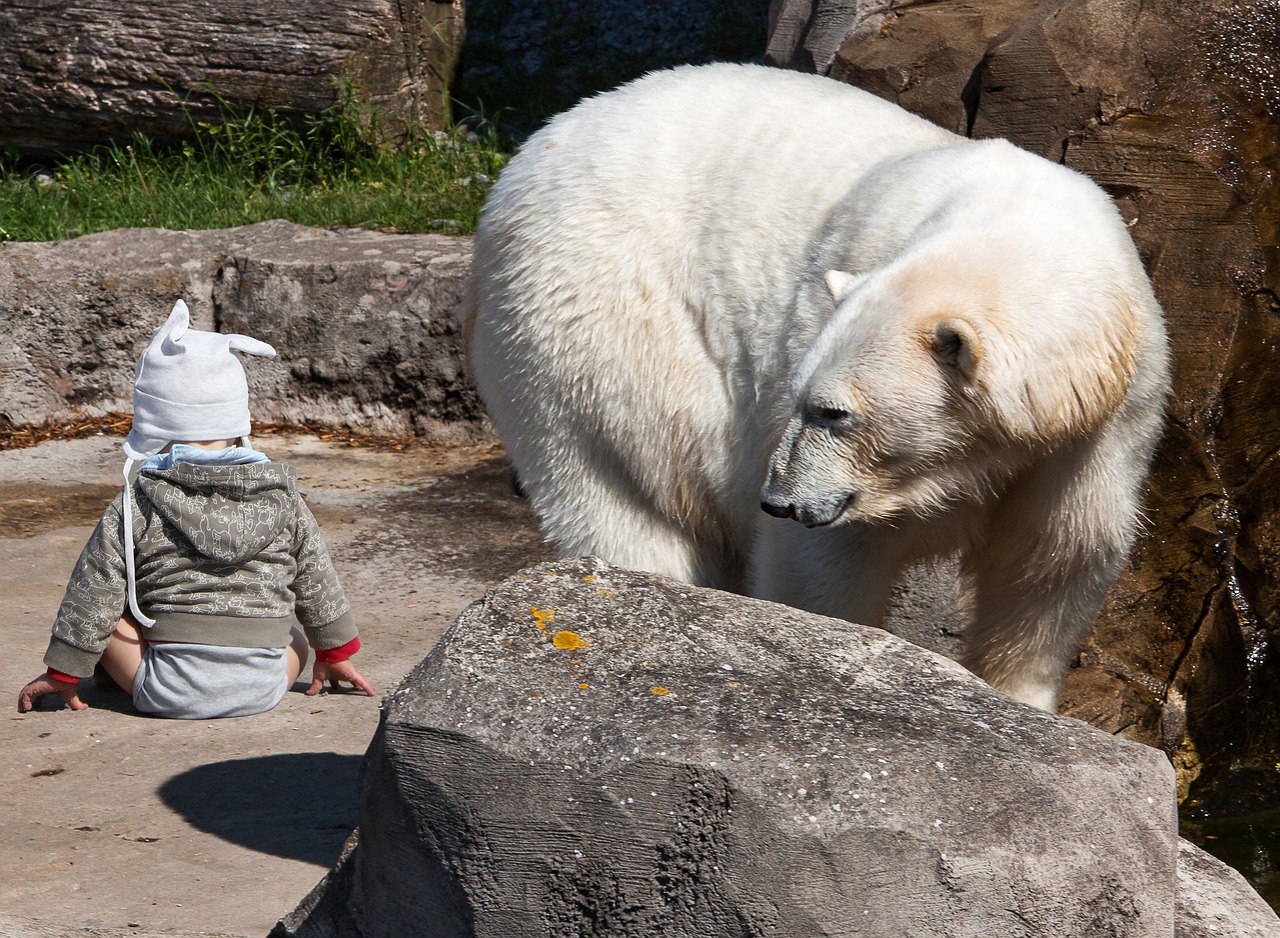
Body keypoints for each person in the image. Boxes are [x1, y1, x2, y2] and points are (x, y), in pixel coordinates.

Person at [17, 299, 375, 718]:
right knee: (294, 635)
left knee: (108, 613)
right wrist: (333, 652)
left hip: (167, 688)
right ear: (238, 423)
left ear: (152, 424)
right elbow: (318, 580)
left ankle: (110, 672)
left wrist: (62, 672)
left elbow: (93, 588)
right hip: (266, 685)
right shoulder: (285, 498)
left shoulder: (137, 501)